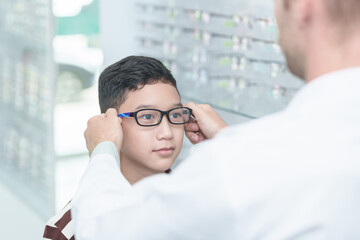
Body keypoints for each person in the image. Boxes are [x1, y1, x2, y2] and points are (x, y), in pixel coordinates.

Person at [72, 0, 360, 239]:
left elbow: (105, 230)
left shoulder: (234, 165)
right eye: (148, 116)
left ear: (303, 8)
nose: (165, 132)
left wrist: (103, 149)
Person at [43, 56, 199, 240]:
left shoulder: (198, 197)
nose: (167, 132)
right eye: (147, 117)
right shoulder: (71, 228)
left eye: (174, 114)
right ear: (113, 124)